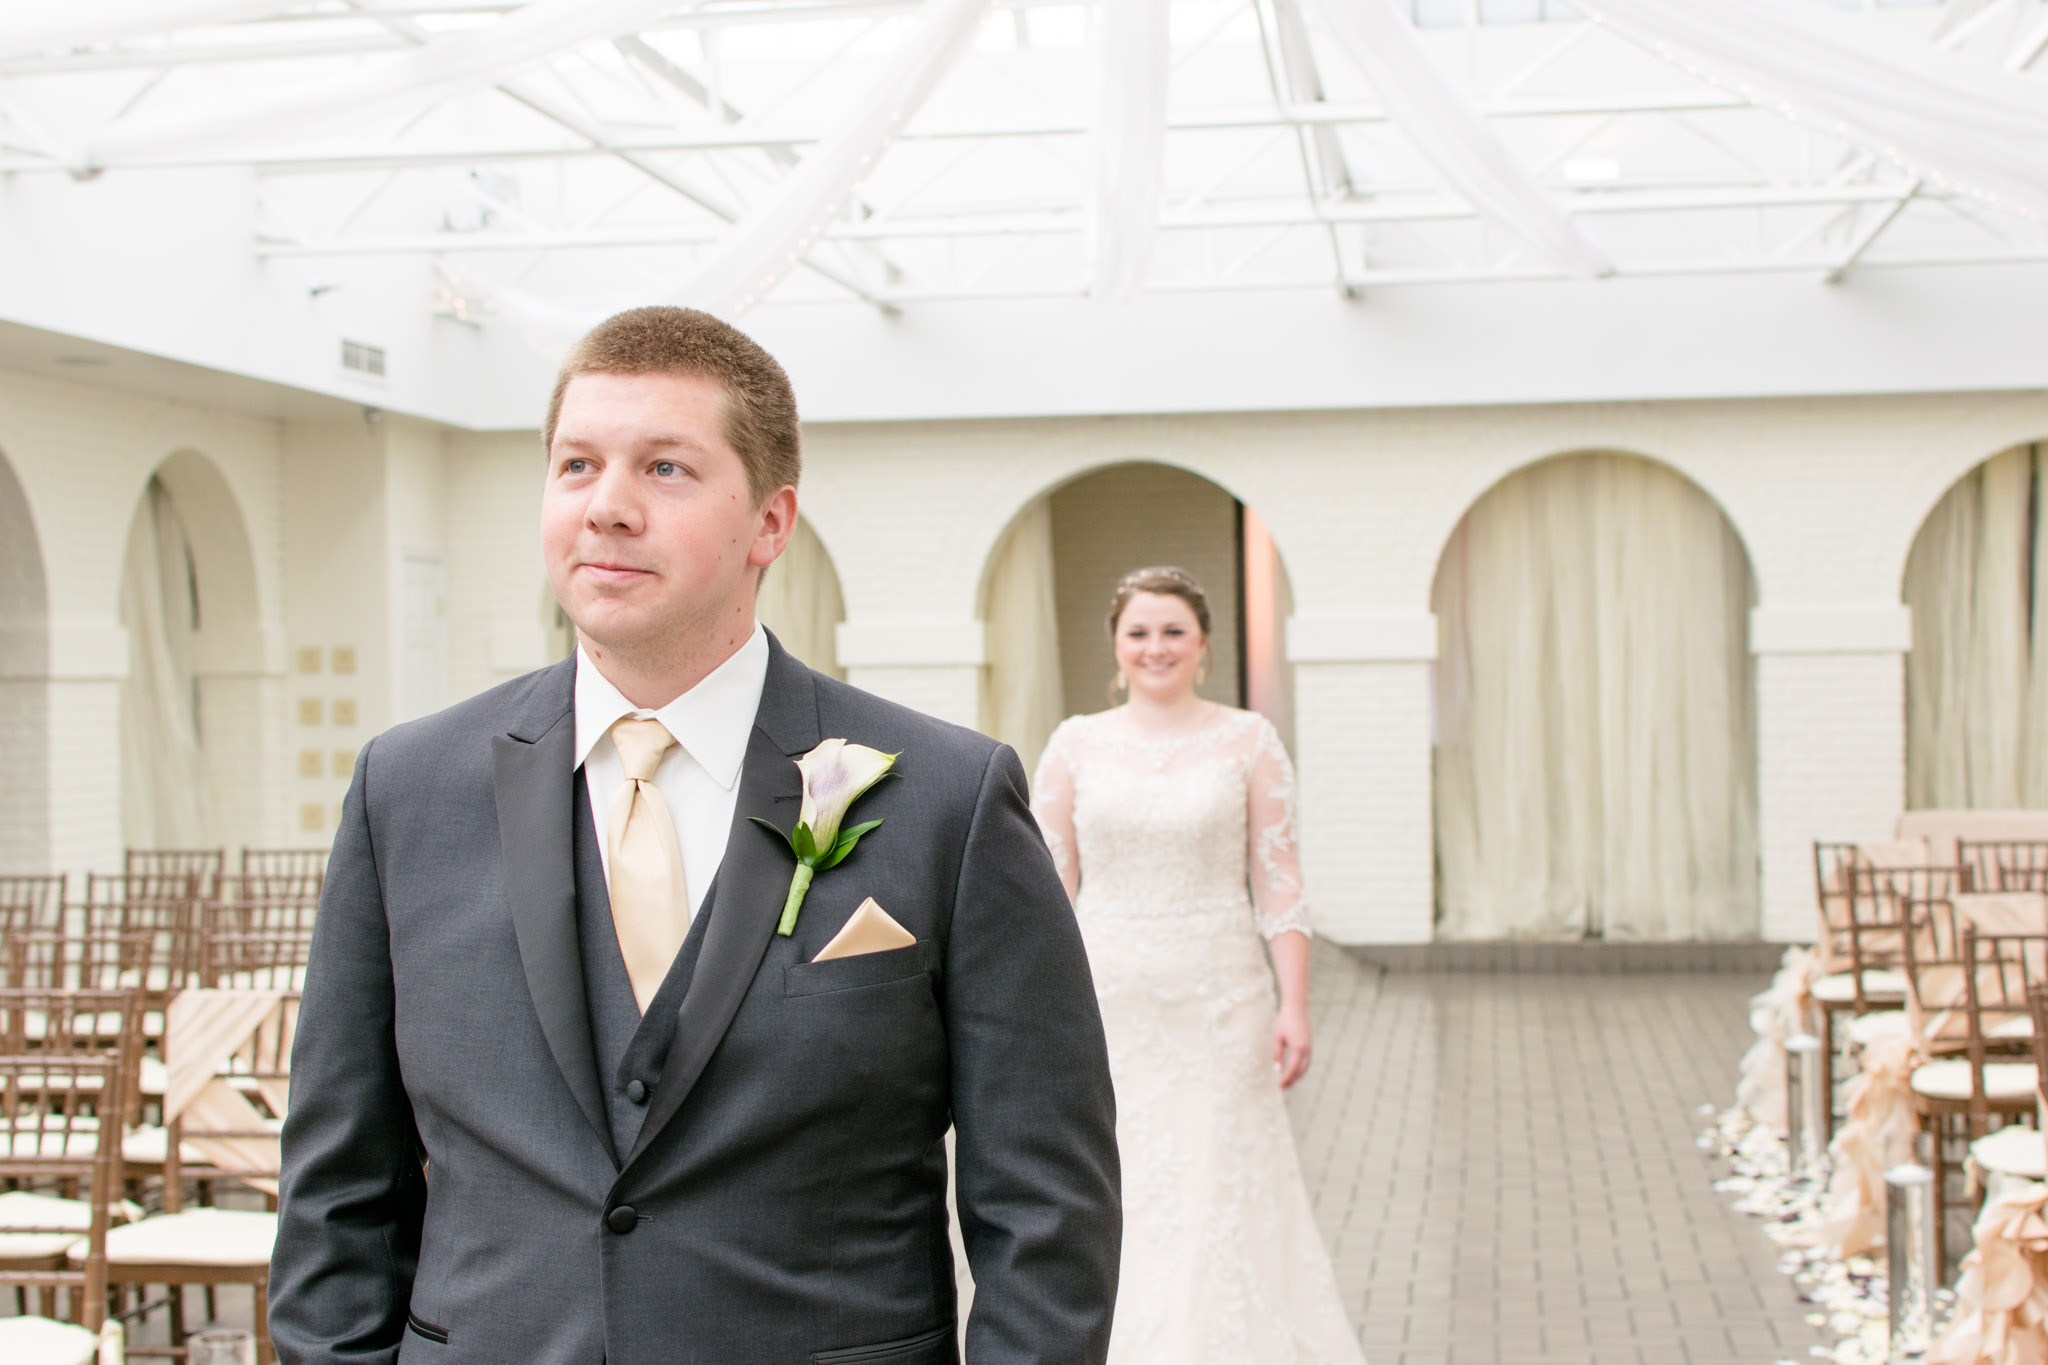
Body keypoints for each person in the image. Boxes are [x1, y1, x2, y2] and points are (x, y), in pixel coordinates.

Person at [270, 307, 1122, 1365]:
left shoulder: (947, 799)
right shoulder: (407, 790)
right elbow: (338, 1191)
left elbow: (1044, 1209)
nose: (607, 509)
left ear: (770, 523)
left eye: (665, 470)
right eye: (576, 465)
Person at [1031, 566, 1366, 1365]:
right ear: (1115, 643)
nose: (1156, 647)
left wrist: (1295, 1004)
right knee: (1126, 1181)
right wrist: (1036, 1008)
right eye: (1139, 631)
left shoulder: (1248, 739)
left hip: (1221, 998)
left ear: (1204, 643)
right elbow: (1048, 889)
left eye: (1173, 630)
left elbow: (1279, 882)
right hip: (1109, 997)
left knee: (1220, 1183)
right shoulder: (1075, 744)